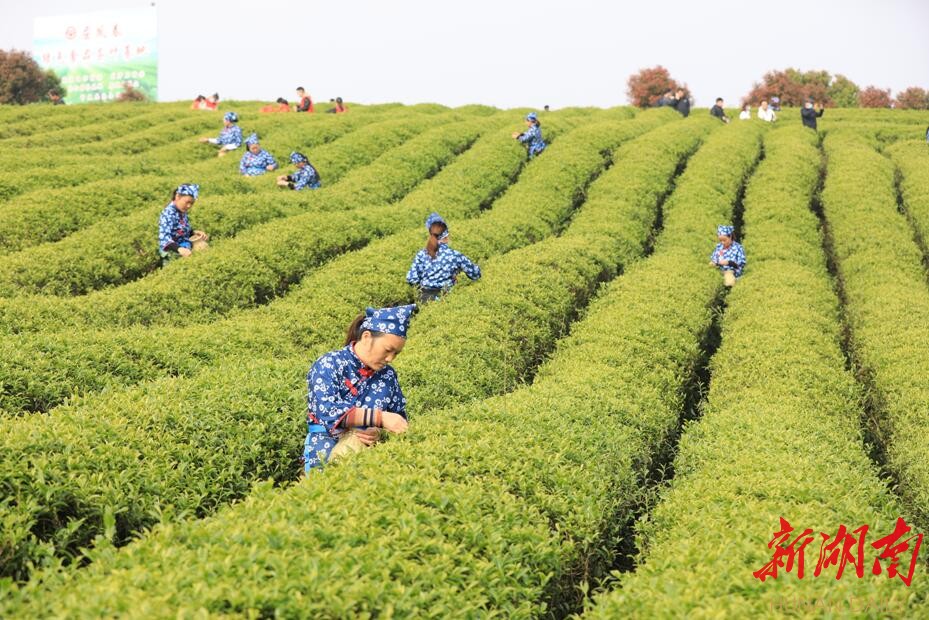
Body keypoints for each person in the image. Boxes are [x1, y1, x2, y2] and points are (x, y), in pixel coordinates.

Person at [302, 304, 415, 473]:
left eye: (396, 353)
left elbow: (398, 418)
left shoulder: (388, 375)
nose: (390, 359)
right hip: (323, 452)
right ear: (367, 337)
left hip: (367, 461)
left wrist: (379, 432)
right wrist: (379, 418)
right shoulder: (329, 364)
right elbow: (327, 411)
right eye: (388, 350)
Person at [406, 212, 481, 302]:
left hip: (424, 299)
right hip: (446, 299)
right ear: (446, 237)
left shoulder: (421, 254)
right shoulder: (454, 255)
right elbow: (475, 274)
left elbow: (411, 279)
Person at [158, 184, 209, 267]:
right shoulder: (168, 214)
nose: (189, 206)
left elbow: (182, 229)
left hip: (186, 249)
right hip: (173, 253)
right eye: (187, 202)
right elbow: (164, 238)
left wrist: (194, 232)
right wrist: (179, 249)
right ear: (177, 197)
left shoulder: (181, 211)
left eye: (192, 203)